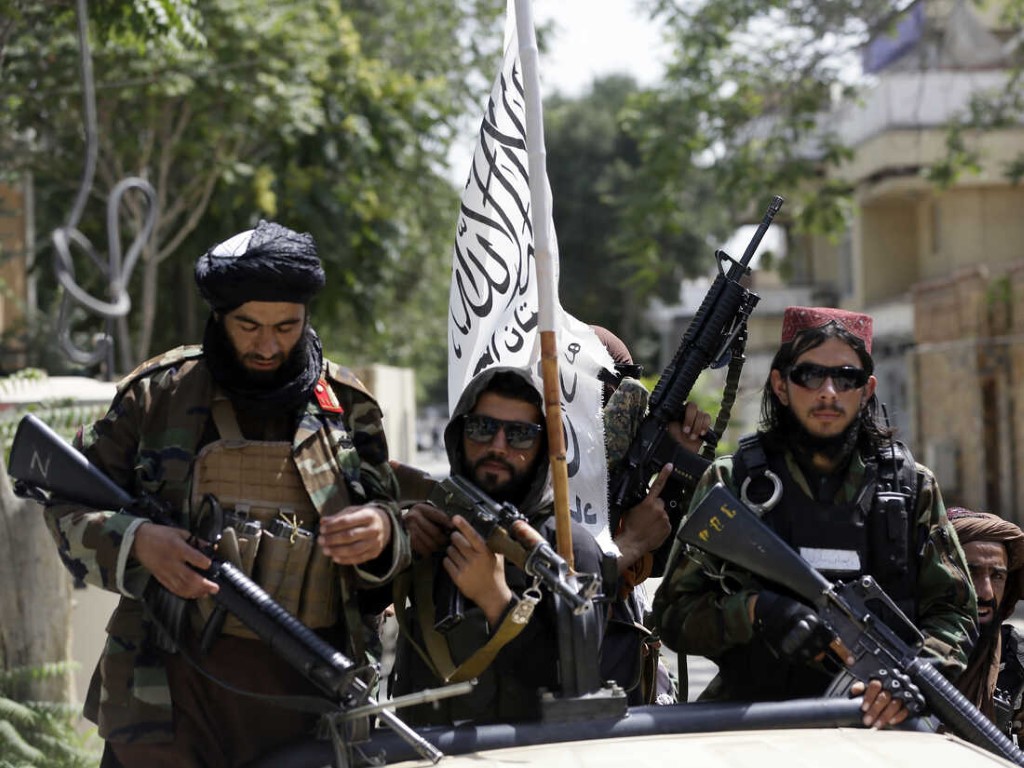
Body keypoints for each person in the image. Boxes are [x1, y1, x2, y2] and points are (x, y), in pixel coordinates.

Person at [43, 220, 410, 768]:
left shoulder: (347, 408)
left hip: (309, 702)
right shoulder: (157, 395)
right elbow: (66, 505)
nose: (268, 345)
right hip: (167, 699)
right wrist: (138, 542)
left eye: (287, 327)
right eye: (248, 325)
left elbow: (394, 545)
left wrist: (381, 535)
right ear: (219, 316)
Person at [653, 305, 977, 728]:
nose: (828, 391)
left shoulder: (911, 489)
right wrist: (755, 611)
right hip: (754, 725)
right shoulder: (735, 483)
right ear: (781, 385)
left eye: (846, 378)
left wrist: (907, 681)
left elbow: (956, 613)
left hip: (877, 726)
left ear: (867, 389)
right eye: (809, 375)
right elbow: (673, 615)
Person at [948, 506, 1024, 738]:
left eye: (997, 576)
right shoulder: (901, 651)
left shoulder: (1016, 659)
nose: (986, 592)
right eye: (971, 573)